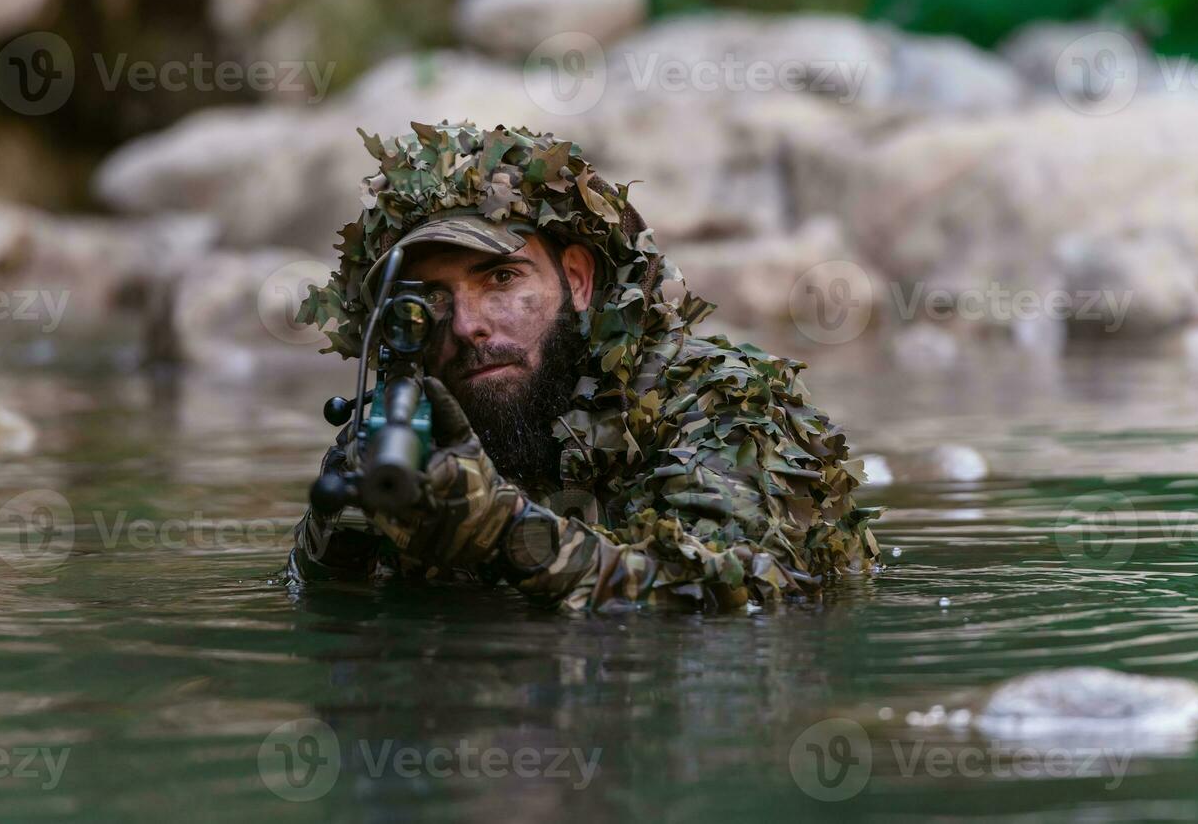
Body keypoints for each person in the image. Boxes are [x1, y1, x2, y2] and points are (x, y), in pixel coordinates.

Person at [288, 121, 878, 612]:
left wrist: (504, 534)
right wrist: (338, 527)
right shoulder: (419, 427)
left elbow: (734, 591)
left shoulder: (716, 398)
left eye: (500, 278)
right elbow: (332, 615)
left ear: (576, 279)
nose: (467, 326)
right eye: (433, 300)